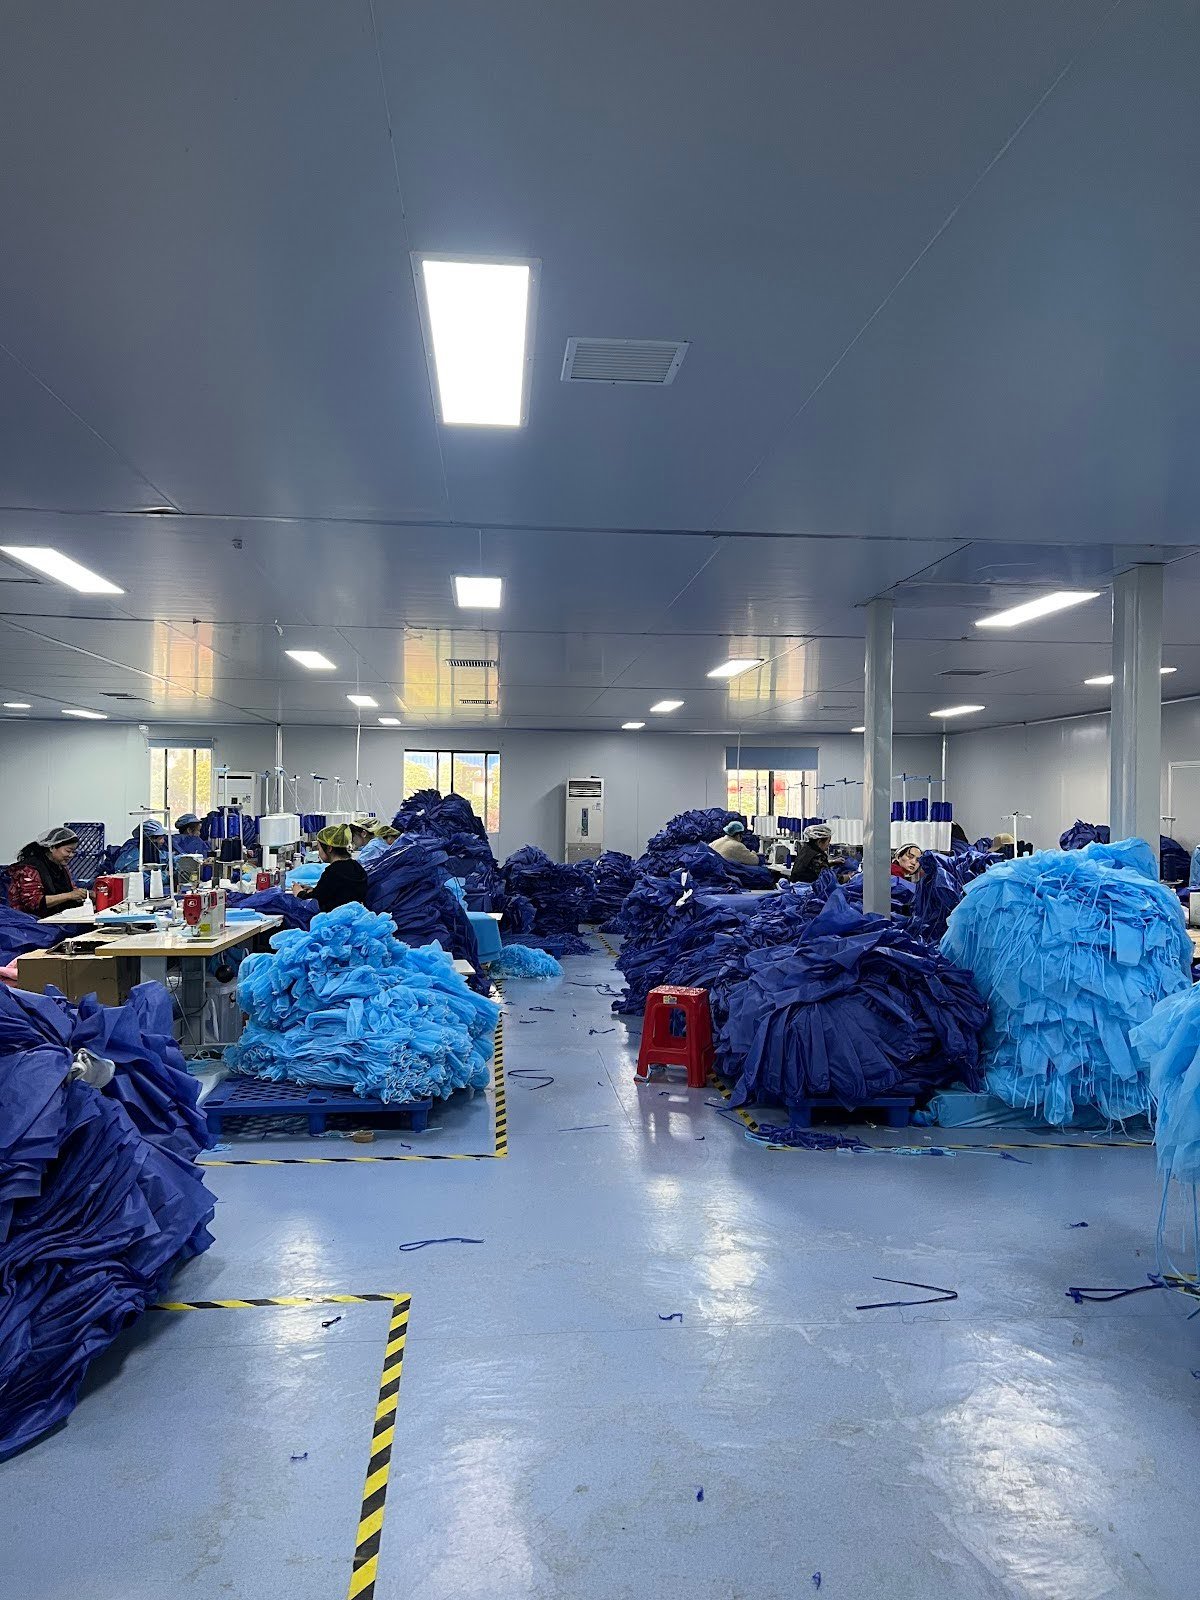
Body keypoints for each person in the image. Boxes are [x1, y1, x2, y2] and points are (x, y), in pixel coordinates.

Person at [7, 826, 88, 917]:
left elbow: (71, 889)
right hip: (30, 920)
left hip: (56, 915)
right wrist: (70, 896)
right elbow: (33, 902)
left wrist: (84, 894)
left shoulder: (61, 867)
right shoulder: (29, 869)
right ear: (52, 847)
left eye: (73, 852)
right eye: (68, 851)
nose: (71, 855)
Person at [296, 824, 368, 914]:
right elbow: (338, 893)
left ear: (329, 848)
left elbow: (315, 901)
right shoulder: (356, 866)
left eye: (319, 848)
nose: (319, 852)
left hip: (334, 918)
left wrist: (299, 893)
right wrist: (314, 890)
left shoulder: (332, 872)